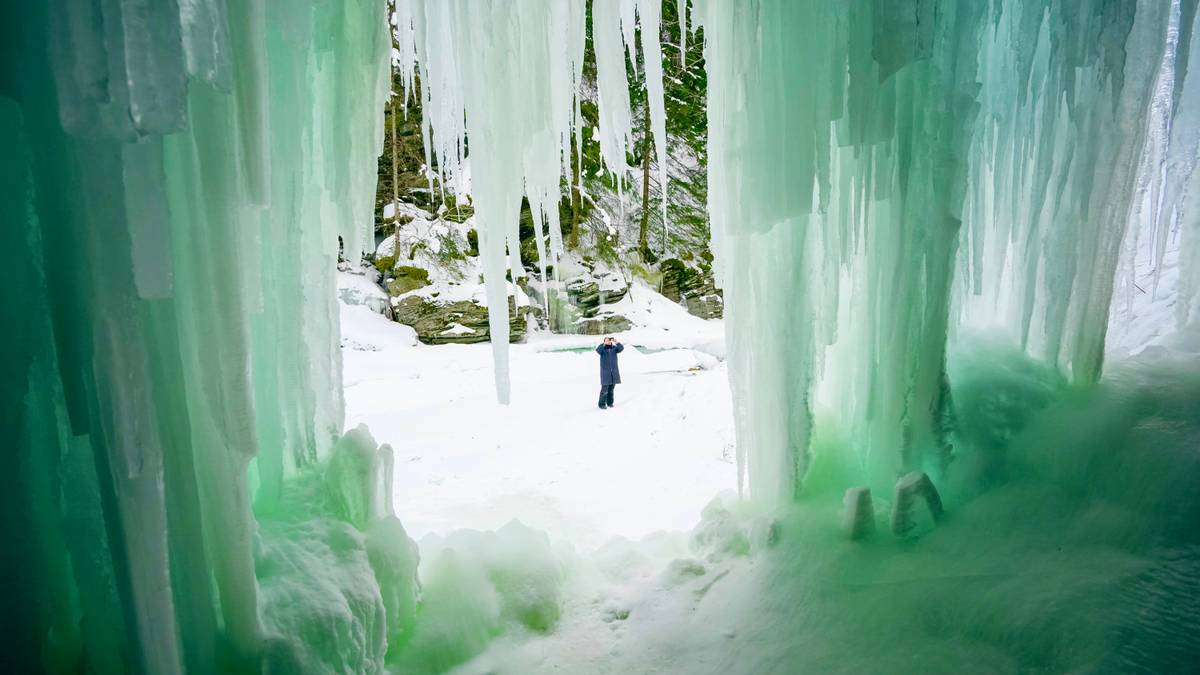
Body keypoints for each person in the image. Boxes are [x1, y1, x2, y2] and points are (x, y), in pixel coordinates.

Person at [595, 336, 624, 409]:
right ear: (604, 341)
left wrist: (616, 342)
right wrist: (604, 344)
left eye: (609, 340)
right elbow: (598, 350)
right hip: (605, 373)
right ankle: (601, 404)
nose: (608, 341)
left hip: (613, 373)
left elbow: (621, 348)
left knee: (611, 389)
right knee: (604, 390)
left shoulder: (614, 348)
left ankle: (610, 403)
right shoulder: (602, 349)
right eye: (606, 340)